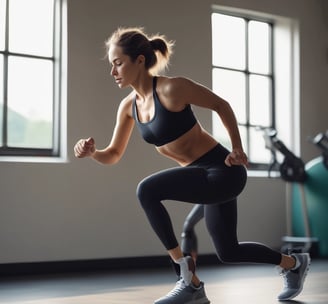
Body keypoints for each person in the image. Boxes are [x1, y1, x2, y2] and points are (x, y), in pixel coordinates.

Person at [74, 27, 310, 304]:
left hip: (224, 171)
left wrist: (237, 148)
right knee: (229, 251)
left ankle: (188, 278)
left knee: (147, 190)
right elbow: (113, 154)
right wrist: (92, 153)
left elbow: (221, 105)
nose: (113, 71)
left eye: (118, 63)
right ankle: (293, 264)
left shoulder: (172, 88)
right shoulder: (129, 107)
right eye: (112, 65)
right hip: (201, 176)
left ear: (139, 60)